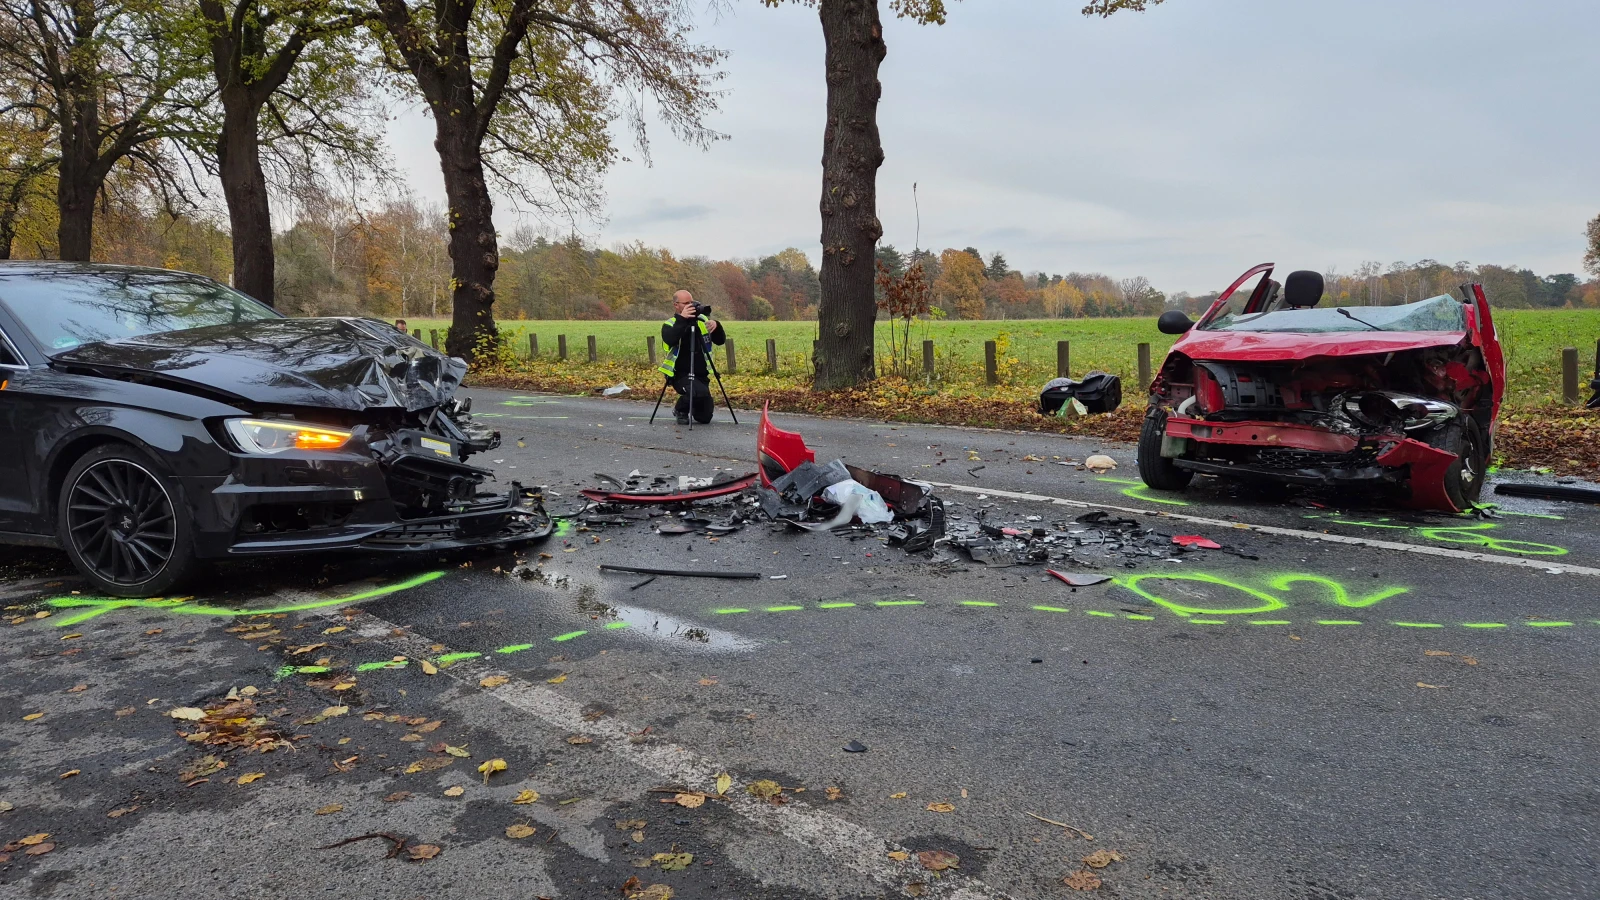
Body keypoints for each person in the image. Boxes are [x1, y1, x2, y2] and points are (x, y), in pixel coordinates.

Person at [658, 290, 725, 425]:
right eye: (686, 303)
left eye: (692, 302)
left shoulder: (702, 321)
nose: (691, 306)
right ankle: (680, 410)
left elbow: (720, 340)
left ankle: (693, 402)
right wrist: (682, 319)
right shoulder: (670, 324)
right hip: (680, 374)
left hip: (701, 374)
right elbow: (670, 339)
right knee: (696, 392)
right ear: (676, 305)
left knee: (704, 418)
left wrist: (716, 326)